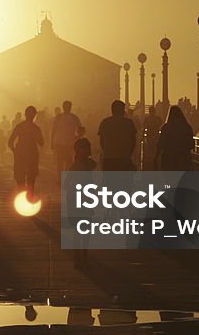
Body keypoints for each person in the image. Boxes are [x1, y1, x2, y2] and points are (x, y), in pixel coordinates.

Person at [69, 137, 97, 266]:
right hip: (78, 199)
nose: (87, 150)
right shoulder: (77, 166)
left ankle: (82, 256)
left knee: (83, 230)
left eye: (88, 148)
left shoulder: (85, 164)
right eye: (84, 148)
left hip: (85, 199)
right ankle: (78, 257)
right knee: (80, 230)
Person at [9, 105, 44, 197]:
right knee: (31, 178)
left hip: (20, 153)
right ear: (34, 115)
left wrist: (15, 151)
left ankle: (22, 195)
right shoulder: (35, 128)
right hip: (32, 153)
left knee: (20, 177)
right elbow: (41, 142)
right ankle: (30, 196)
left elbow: (10, 141)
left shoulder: (19, 126)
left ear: (25, 114)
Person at [97, 100, 138, 171]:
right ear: (122, 110)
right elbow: (133, 141)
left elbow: (102, 141)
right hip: (124, 158)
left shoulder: (105, 122)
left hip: (109, 158)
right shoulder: (128, 123)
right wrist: (129, 153)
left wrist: (108, 151)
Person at [155, 105, 195, 171]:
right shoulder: (187, 127)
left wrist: (156, 157)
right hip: (184, 159)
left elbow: (160, 144)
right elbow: (191, 144)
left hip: (169, 159)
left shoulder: (166, 127)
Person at [51, 100, 83, 177]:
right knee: (61, 161)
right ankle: (61, 178)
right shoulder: (59, 117)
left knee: (67, 161)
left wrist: (78, 137)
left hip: (69, 143)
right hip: (61, 143)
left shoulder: (73, 117)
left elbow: (81, 129)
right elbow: (53, 130)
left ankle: (63, 178)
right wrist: (51, 142)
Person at [141, 106, 163, 171]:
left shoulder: (147, 119)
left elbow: (144, 128)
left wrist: (142, 136)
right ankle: (155, 160)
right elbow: (161, 126)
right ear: (155, 111)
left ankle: (150, 162)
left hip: (149, 135)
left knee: (150, 147)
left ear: (149, 111)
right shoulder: (158, 119)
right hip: (156, 135)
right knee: (156, 147)